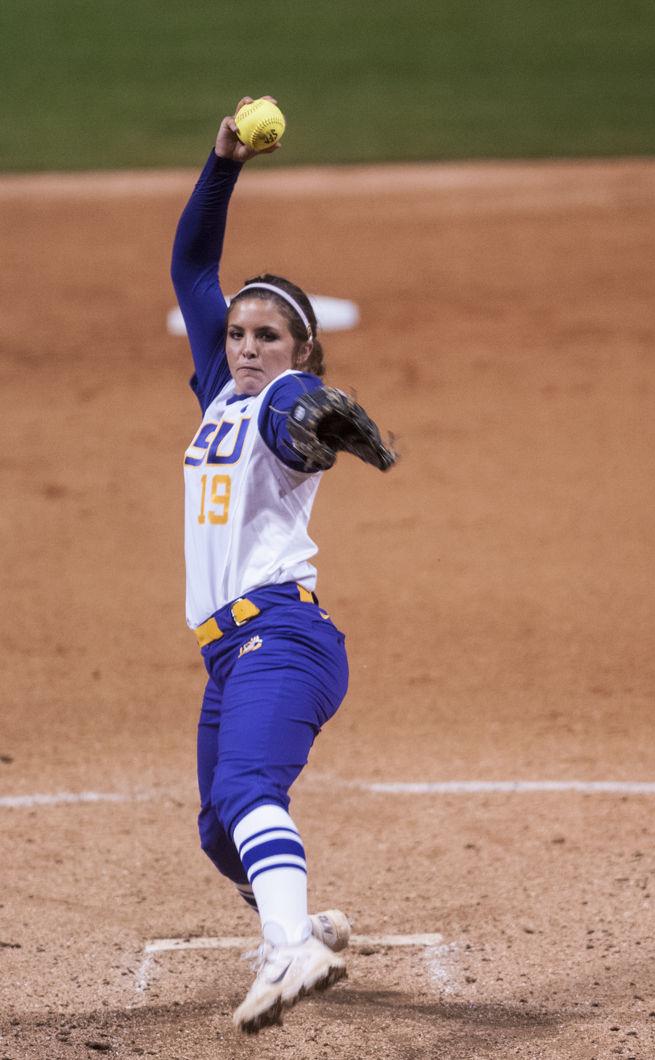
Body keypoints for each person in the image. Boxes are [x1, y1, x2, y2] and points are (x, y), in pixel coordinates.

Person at [171, 96, 395, 1033]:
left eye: (270, 335)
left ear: (300, 347)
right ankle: (303, 921)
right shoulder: (220, 392)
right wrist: (223, 163)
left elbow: (295, 410)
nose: (250, 344)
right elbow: (191, 267)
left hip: (284, 636)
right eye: (239, 333)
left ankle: (292, 946)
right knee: (221, 830)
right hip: (230, 656)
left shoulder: (284, 397)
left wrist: (302, 403)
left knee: (247, 791)